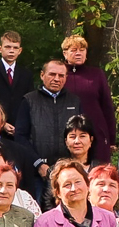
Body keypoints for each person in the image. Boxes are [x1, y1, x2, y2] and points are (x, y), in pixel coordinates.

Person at [13, 60, 84, 194]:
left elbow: (81, 134)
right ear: (42, 75)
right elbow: (20, 137)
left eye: (61, 75)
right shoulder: (29, 100)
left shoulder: (74, 101)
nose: (57, 79)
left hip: (67, 171)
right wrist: (39, 164)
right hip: (36, 173)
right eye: (52, 74)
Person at [61, 35, 116, 164]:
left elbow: (107, 107)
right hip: (68, 135)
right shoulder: (59, 75)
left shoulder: (97, 74)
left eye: (82, 50)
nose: (78, 53)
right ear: (65, 53)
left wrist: (111, 138)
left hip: (97, 133)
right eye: (74, 50)